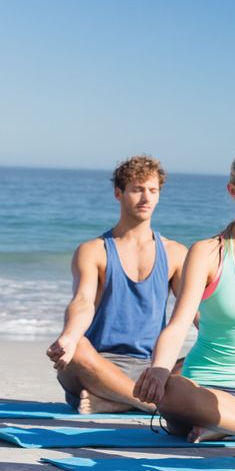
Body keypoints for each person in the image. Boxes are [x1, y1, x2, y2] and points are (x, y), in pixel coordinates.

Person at [132, 149, 235, 440]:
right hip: (203, 389)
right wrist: (160, 371)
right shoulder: (208, 253)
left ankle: (227, 427)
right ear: (233, 191)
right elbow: (178, 325)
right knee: (171, 389)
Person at [46, 156, 187, 414]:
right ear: (118, 193)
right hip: (98, 366)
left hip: (153, 369)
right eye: (137, 189)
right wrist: (68, 337)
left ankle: (115, 403)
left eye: (152, 190)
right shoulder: (93, 251)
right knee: (77, 348)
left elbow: (196, 313)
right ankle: (151, 405)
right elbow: (83, 301)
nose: (146, 198)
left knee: (204, 360)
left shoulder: (176, 253)